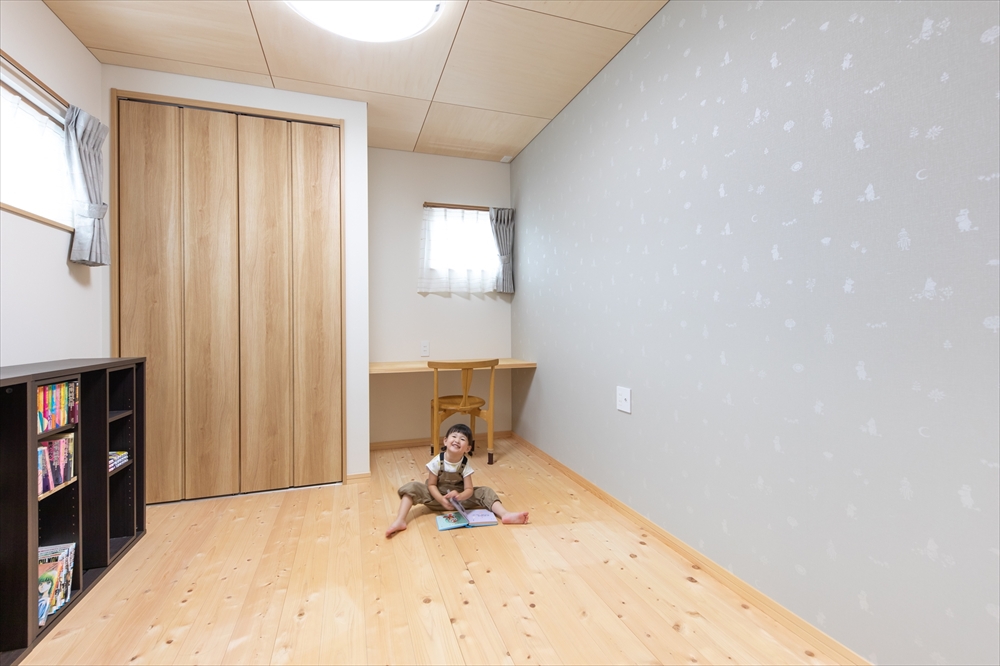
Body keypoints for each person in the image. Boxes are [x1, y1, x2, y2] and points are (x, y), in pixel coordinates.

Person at [385, 423, 528, 537]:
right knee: (412, 487)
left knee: (486, 491)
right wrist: (441, 499)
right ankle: (400, 520)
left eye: (462, 439)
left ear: (468, 448)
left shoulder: (465, 464)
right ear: (445, 441)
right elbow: (432, 485)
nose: (457, 440)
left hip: (459, 502)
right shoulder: (437, 461)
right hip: (436, 498)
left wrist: (459, 496)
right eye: (454, 436)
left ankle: (505, 514)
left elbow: (469, 489)